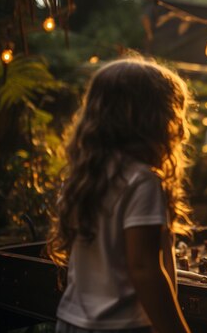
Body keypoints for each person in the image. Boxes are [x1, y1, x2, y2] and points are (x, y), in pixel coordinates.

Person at [47, 58, 192, 333]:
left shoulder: (84, 177)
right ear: (154, 118)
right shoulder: (142, 180)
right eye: (175, 114)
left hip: (72, 321)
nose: (182, 130)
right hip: (122, 325)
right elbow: (144, 269)